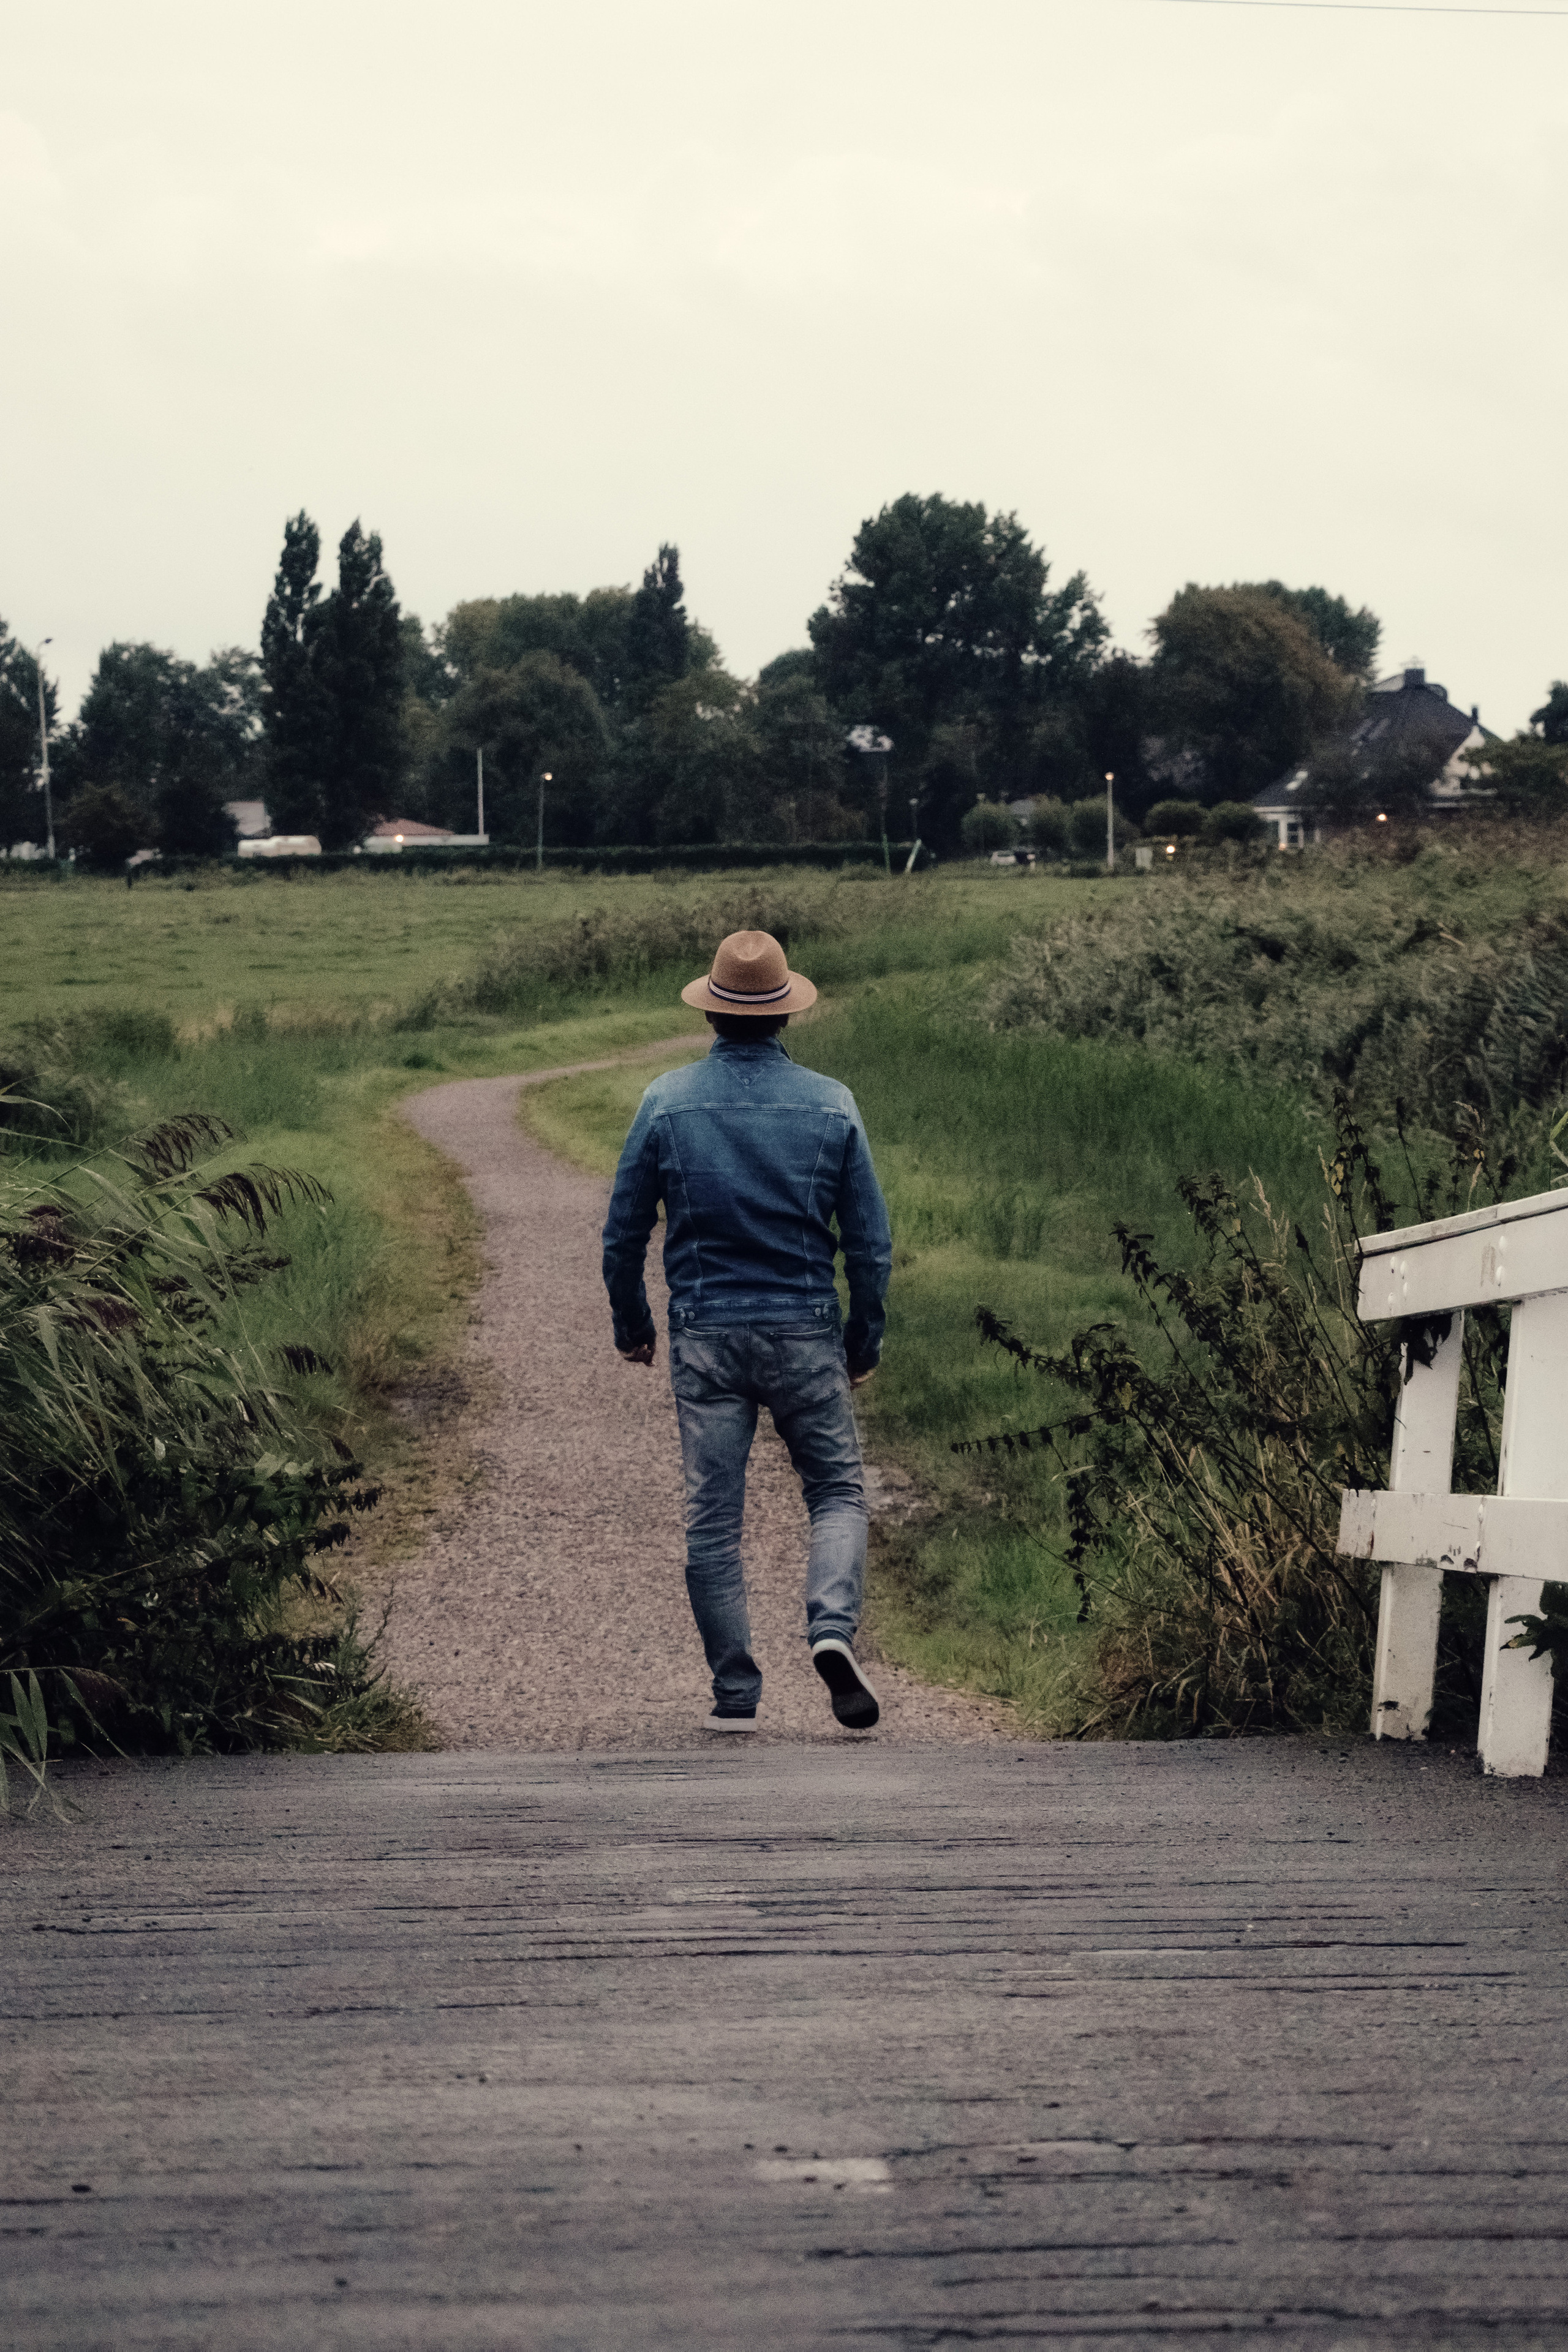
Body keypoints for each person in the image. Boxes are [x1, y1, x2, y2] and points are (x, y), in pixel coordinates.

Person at [601, 928, 892, 1735]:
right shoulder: (833, 1104)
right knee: (836, 1493)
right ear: (786, 1016)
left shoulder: (666, 1100)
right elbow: (870, 1246)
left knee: (712, 1519)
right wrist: (862, 1343)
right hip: (804, 1327)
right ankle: (830, 1632)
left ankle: (736, 1694)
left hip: (706, 1333)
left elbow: (624, 1230)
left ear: (714, 1014)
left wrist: (633, 1322)